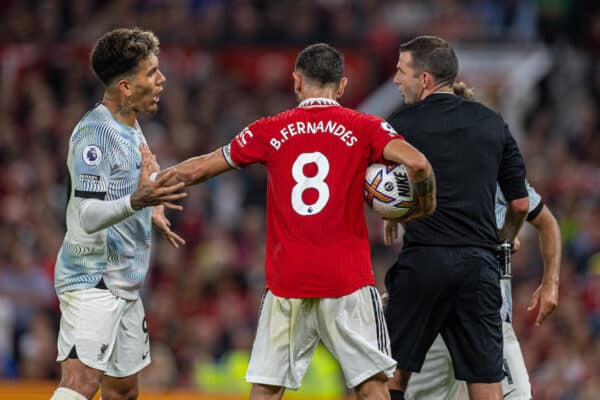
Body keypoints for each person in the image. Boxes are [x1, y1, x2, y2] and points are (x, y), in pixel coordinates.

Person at [161, 43, 436, 400]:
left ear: (296, 82)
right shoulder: (366, 127)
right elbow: (418, 165)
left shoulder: (269, 130)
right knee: (371, 388)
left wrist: (151, 185)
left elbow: (199, 168)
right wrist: (421, 208)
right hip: (347, 279)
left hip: (288, 278)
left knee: (266, 390)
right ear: (341, 87)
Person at [383, 36, 529, 400]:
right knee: (485, 382)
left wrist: (395, 213)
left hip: (423, 263)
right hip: (478, 267)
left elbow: (382, 184)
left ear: (426, 79)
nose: (396, 80)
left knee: (389, 376)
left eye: (402, 72)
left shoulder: (400, 124)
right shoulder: (494, 123)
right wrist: (503, 236)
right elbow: (521, 204)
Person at [399, 84, 562, 400]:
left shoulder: (498, 176)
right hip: (431, 325)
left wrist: (551, 281)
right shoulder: (419, 178)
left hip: (488, 322)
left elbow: (547, 224)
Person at [50, 28, 186, 400]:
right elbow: (89, 214)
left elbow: (131, 183)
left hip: (124, 284)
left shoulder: (131, 126)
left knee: (124, 390)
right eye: (152, 72)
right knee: (81, 383)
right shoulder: (95, 135)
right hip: (91, 280)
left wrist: (152, 208)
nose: (162, 80)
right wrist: (138, 202)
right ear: (125, 86)